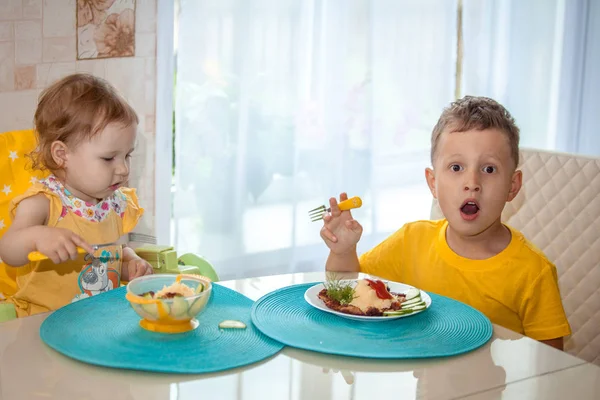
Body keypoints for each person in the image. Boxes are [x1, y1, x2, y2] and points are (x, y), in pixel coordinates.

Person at [320, 96, 571, 350]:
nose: (471, 182)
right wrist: (343, 251)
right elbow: (345, 290)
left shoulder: (533, 272)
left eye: (489, 169)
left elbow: (550, 367)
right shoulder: (411, 241)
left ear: (512, 186)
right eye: (456, 167)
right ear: (433, 183)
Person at [0, 73, 153, 317]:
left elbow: (110, 254)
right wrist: (37, 236)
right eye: (108, 158)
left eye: (127, 156)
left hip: (96, 322)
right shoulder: (43, 202)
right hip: (40, 324)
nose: (123, 169)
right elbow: (8, 250)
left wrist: (130, 262)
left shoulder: (113, 204)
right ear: (62, 155)